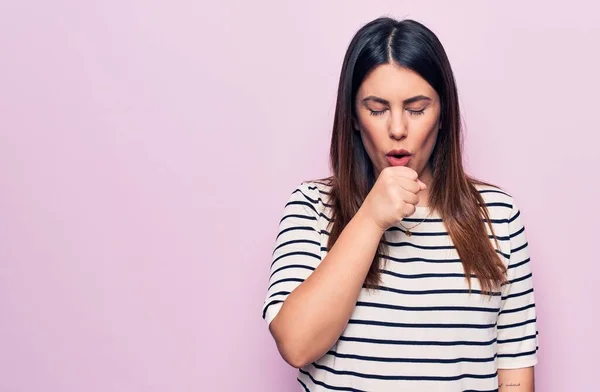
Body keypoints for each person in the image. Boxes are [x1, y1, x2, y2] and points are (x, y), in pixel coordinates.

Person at [261, 16, 539, 392]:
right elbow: (296, 343)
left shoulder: (499, 216)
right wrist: (371, 219)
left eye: (417, 108)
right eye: (376, 109)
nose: (397, 128)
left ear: (443, 115)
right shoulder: (312, 207)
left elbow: (515, 374)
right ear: (354, 118)